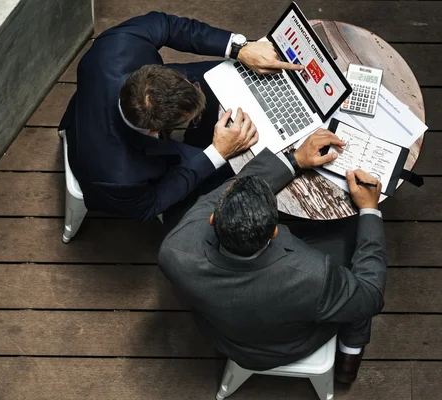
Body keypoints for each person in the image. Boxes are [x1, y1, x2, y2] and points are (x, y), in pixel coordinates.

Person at [158, 117, 387, 383]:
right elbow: (370, 297)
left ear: (212, 219)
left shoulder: (174, 249)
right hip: (289, 346)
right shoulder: (315, 275)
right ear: (275, 230)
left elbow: (221, 194)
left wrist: (294, 160)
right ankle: (351, 351)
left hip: (225, 336)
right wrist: (370, 209)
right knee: (352, 244)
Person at [58, 11, 303, 221]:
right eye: (193, 118)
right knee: (230, 171)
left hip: (95, 98)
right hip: (103, 154)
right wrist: (217, 153)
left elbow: (167, 25)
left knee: (229, 73)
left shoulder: (118, 44)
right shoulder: (121, 178)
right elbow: (150, 206)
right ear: (156, 132)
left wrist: (239, 48)